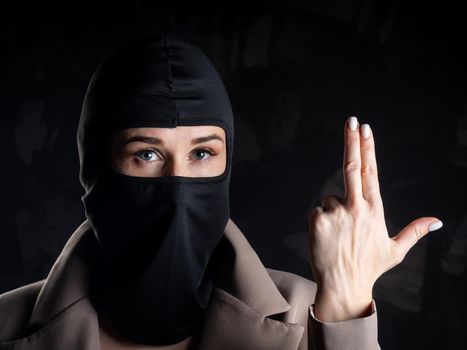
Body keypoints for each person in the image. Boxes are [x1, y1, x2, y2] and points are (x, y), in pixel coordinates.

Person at [0, 35, 443, 350]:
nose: (178, 189)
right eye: (147, 155)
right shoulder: (6, 326)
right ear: (95, 167)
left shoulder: (313, 315)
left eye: (202, 154)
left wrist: (346, 311)